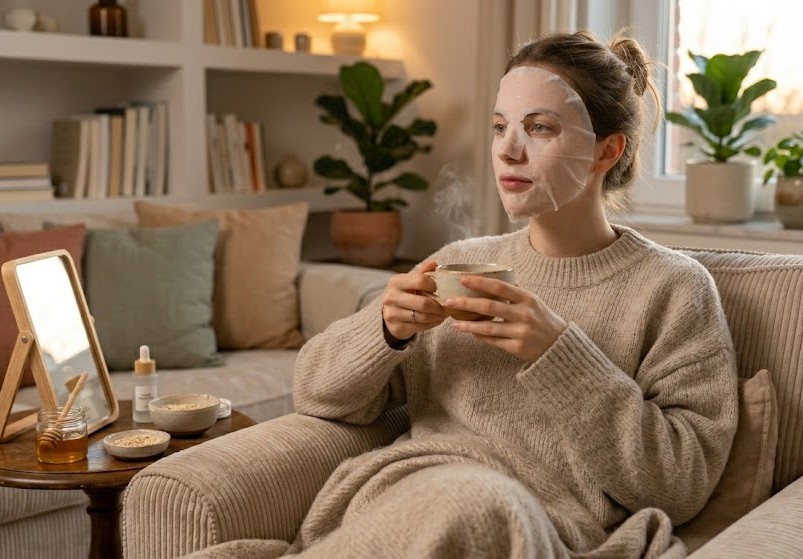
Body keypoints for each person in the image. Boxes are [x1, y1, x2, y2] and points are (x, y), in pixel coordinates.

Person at [192, 30, 738, 559]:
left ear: (604, 152)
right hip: (408, 496)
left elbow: (680, 484)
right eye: (500, 127)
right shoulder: (457, 263)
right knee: (461, 500)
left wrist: (560, 355)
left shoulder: (673, 288)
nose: (508, 151)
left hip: (539, 524)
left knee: (475, 503)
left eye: (540, 128)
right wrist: (385, 330)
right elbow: (316, 394)